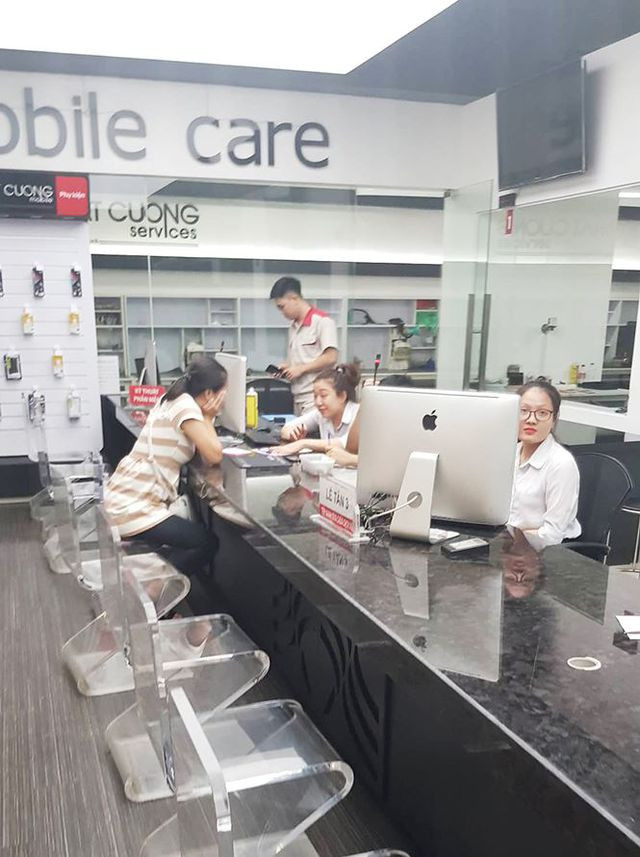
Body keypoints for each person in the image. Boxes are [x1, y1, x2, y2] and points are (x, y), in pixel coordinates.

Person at [105, 356, 226, 577]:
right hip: (134, 507)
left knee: (190, 537)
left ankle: (150, 583)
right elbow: (213, 455)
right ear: (209, 393)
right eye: (223, 394)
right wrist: (209, 417)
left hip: (125, 495)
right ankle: (153, 587)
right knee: (205, 543)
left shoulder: (172, 398)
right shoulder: (186, 408)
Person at [508, 379, 581, 548]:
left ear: (554, 419)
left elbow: (552, 535)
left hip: (546, 552)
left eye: (542, 413)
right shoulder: (509, 454)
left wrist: (515, 537)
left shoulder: (561, 464)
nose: (531, 420)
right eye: (523, 411)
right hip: (510, 546)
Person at [270, 276, 338, 415]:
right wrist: (287, 368)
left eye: (282, 307)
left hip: (316, 398)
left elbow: (331, 357)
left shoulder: (322, 322)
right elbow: (302, 359)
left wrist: (301, 369)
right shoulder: (293, 327)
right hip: (297, 396)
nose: (282, 313)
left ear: (294, 298)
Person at [270, 364, 359, 456]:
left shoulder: (358, 414)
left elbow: (346, 443)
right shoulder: (320, 414)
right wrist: (293, 435)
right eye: (315, 396)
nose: (318, 402)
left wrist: (303, 443)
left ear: (342, 396)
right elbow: (287, 427)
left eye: (323, 395)